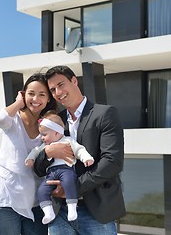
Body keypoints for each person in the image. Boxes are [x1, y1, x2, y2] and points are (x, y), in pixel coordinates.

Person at [37, 65, 125, 235]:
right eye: (53, 89)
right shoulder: (55, 121)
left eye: (61, 84)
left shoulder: (105, 113)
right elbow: (39, 167)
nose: (58, 92)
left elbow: (112, 162)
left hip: (96, 211)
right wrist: (47, 153)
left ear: (74, 81)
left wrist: (73, 188)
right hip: (60, 212)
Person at [0, 73, 57, 235]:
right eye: (31, 93)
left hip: (36, 203)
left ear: (48, 99)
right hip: (7, 202)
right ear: (23, 94)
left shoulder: (48, 126)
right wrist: (18, 103)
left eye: (42, 94)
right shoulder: (13, 120)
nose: (36, 99)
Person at [25, 110, 94, 224]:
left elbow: (79, 149)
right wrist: (30, 159)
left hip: (66, 170)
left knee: (69, 182)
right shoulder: (44, 146)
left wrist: (86, 158)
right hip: (50, 174)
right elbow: (35, 151)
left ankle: (72, 208)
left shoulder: (68, 141)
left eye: (44, 134)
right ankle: (48, 212)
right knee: (42, 190)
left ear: (56, 133)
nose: (41, 138)